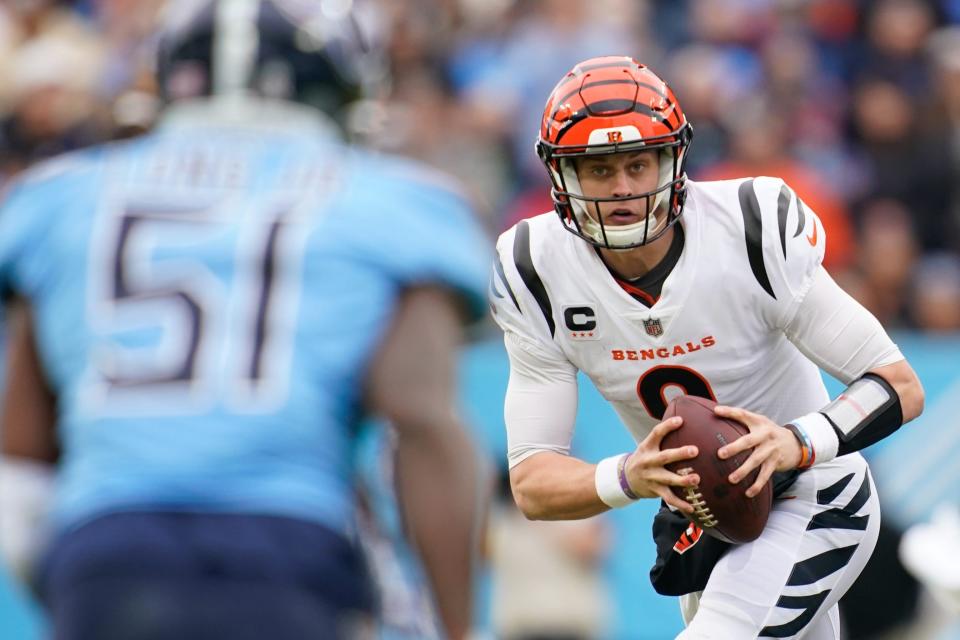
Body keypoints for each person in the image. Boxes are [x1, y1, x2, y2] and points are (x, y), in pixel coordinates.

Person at [0, 2, 490, 639]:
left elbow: (23, 453)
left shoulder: (62, 197)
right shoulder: (394, 201)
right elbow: (420, 417)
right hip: (283, 549)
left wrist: (72, 574)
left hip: (108, 550)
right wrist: (459, 627)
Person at [489, 56, 924, 639]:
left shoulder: (748, 228)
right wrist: (632, 477)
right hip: (710, 518)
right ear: (560, 177)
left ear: (673, 161)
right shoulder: (532, 268)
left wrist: (795, 441)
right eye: (597, 169)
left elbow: (898, 384)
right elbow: (533, 484)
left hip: (814, 492)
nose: (621, 188)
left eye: (638, 164)